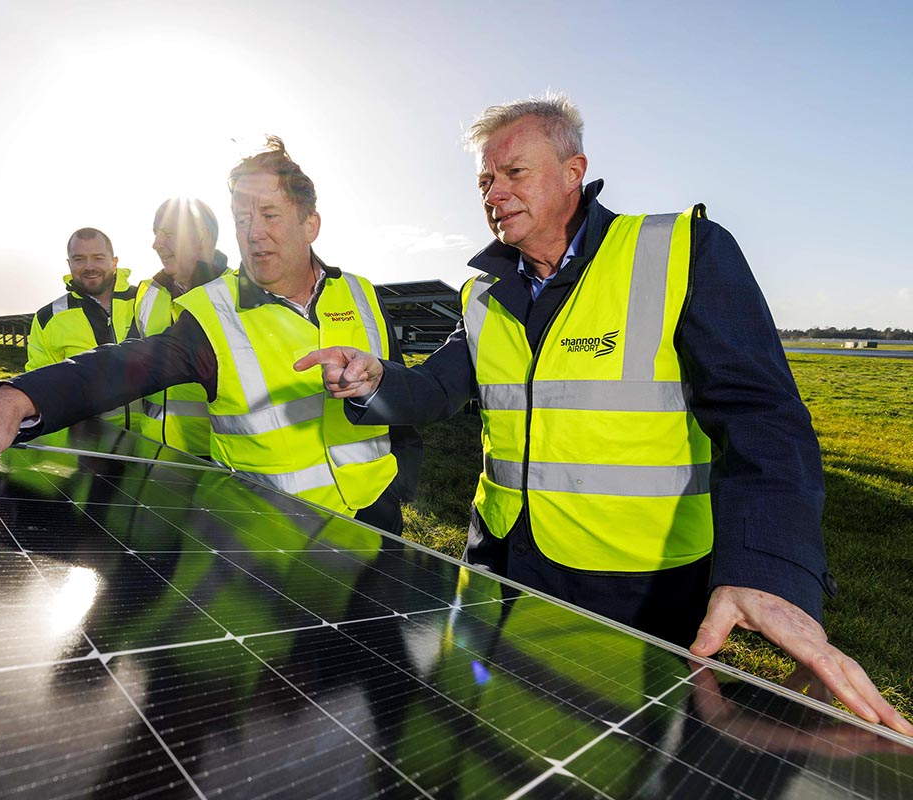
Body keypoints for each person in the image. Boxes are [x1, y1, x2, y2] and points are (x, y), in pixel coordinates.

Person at [294, 92, 913, 733]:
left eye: (514, 172)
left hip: (634, 587)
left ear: (573, 171)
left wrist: (769, 571)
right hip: (499, 563)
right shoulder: (484, 292)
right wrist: (374, 382)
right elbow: (436, 390)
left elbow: (764, 417)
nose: (494, 192)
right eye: (485, 179)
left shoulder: (680, 252)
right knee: (495, 738)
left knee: (621, 753)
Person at [0, 137, 421, 535]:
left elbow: (402, 402)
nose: (253, 233)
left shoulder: (364, 296)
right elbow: (122, 366)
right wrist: (17, 399)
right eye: (242, 218)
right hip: (268, 531)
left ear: (310, 223)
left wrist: (400, 488)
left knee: (380, 694)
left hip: (375, 523)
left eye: (269, 215)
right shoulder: (211, 312)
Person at [132, 197, 230, 457]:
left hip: (216, 464)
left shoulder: (239, 297)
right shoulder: (147, 292)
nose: (156, 244)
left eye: (168, 234)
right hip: (153, 456)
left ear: (202, 237)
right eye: (156, 234)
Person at [25, 226, 138, 426]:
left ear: (114, 262)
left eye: (98, 258)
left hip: (158, 447)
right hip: (86, 446)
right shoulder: (48, 318)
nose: (89, 266)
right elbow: (40, 389)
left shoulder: (146, 302)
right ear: (69, 264)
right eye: (79, 259)